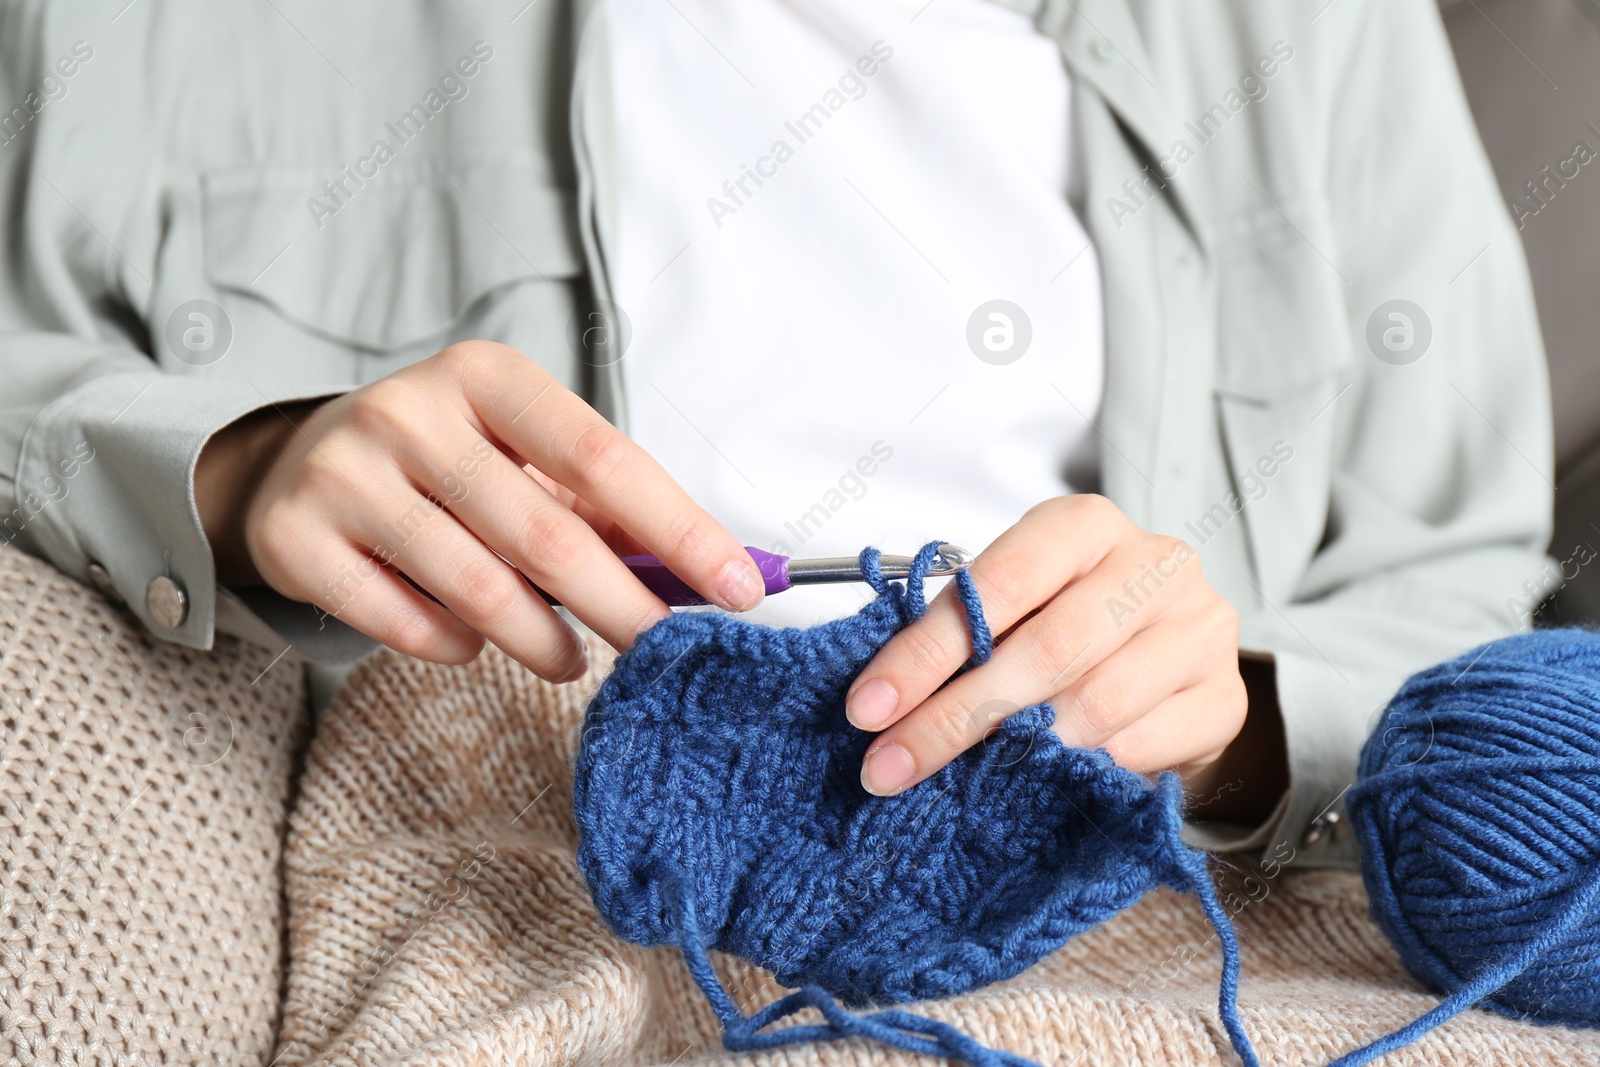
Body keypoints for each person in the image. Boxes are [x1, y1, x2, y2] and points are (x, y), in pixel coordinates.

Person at [0, 0, 1551, 871]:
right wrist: (231, 460)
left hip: (1137, 881)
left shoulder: (1317, 33)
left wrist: (1240, 724)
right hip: (500, 868)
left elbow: (1463, 586)